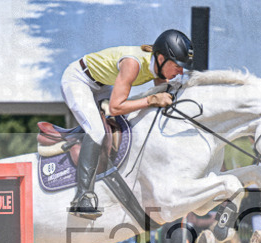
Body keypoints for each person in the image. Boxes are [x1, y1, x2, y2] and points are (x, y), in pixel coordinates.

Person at [63, 29, 193, 219]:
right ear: (161, 59)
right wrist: (151, 100)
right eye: (177, 66)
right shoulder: (133, 64)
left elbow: (165, 94)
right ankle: (83, 197)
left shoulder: (158, 67)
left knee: (122, 127)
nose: (180, 71)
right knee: (98, 131)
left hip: (102, 85)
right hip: (78, 79)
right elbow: (116, 107)